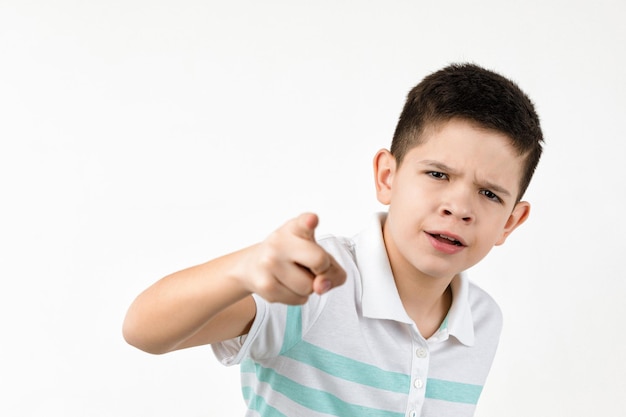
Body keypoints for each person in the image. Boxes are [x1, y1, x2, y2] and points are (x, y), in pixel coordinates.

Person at [123, 63, 544, 417]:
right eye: (438, 174)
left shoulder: (483, 321)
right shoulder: (314, 285)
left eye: (489, 194)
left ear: (511, 221)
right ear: (387, 177)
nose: (459, 206)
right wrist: (243, 271)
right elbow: (144, 330)